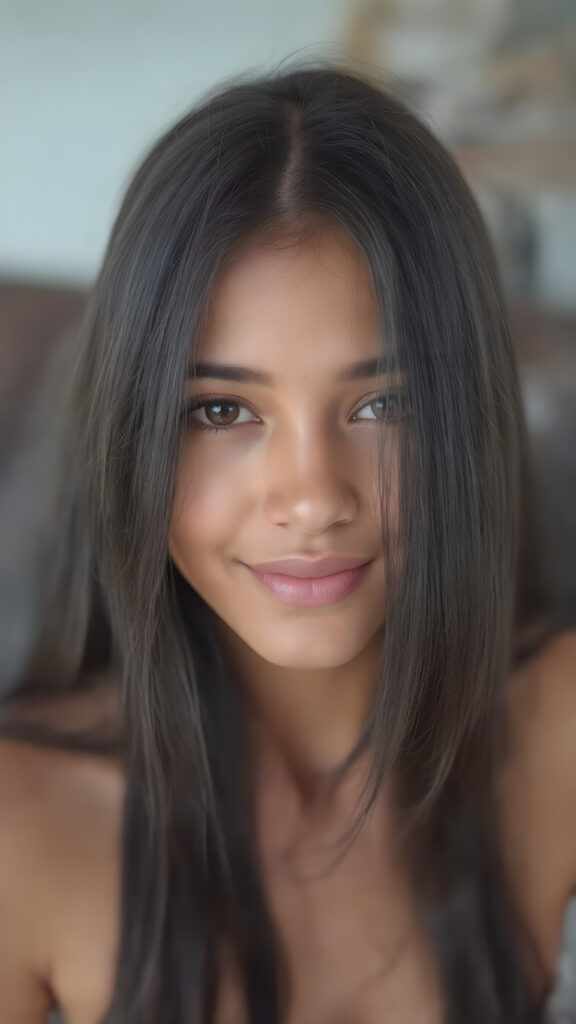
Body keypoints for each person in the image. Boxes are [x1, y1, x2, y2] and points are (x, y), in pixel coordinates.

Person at [0, 59, 574, 1024]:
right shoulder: (22, 830)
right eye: (223, 409)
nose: (311, 499)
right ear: (132, 432)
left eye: (383, 402)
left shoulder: (559, 725)